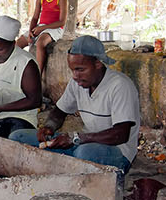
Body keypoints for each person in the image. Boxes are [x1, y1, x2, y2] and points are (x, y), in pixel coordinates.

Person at [10, 35, 140, 175]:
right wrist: (49, 127)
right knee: (17, 138)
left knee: (84, 153)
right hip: (83, 143)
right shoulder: (77, 83)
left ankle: (69, 169)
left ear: (98, 64)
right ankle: (66, 169)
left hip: (117, 152)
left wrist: (76, 138)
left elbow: (121, 134)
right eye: (72, 70)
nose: (75, 76)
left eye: (80, 69)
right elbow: (59, 112)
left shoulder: (119, 86)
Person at [20, 0, 68, 87]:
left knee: (40, 43)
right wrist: (31, 31)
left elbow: (62, 22)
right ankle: (16, 72)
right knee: (19, 43)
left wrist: (42, 29)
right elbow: (35, 18)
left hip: (55, 28)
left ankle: (37, 77)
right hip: (41, 27)